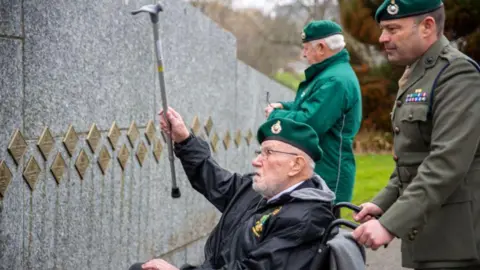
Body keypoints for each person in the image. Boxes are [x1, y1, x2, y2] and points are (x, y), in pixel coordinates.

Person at [351, 1, 480, 269]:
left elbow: (446, 163)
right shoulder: (419, 73)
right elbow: (411, 159)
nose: (382, 38)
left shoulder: (456, 73)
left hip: (457, 237)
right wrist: (383, 203)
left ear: (427, 27)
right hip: (431, 233)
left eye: (392, 29)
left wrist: (389, 224)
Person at [130, 107, 337, 270]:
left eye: (268, 153)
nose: (256, 161)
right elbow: (216, 182)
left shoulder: (305, 219)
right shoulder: (266, 193)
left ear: (296, 165)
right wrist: (184, 140)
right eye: (259, 152)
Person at [265, 20, 362, 213]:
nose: (303, 54)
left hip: (327, 173)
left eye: (306, 48)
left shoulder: (335, 80)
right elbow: (313, 105)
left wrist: (276, 114)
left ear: (321, 47)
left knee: (318, 235)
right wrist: (285, 106)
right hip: (321, 168)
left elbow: (310, 123)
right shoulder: (329, 74)